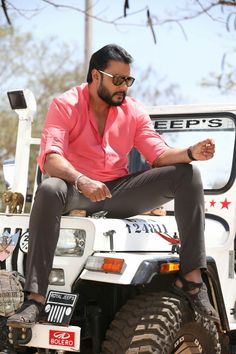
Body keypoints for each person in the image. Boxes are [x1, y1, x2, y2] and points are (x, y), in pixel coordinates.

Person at [7, 44, 219, 327]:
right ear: (96, 75)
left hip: (118, 191)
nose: (124, 87)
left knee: (188, 174)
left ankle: (191, 280)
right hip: (77, 191)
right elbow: (51, 159)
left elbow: (158, 154)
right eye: (117, 79)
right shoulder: (65, 104)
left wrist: (190, 153)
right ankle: (36, 299)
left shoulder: (133, 111)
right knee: (49, 188)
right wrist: (81, 179)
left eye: (128, 80)